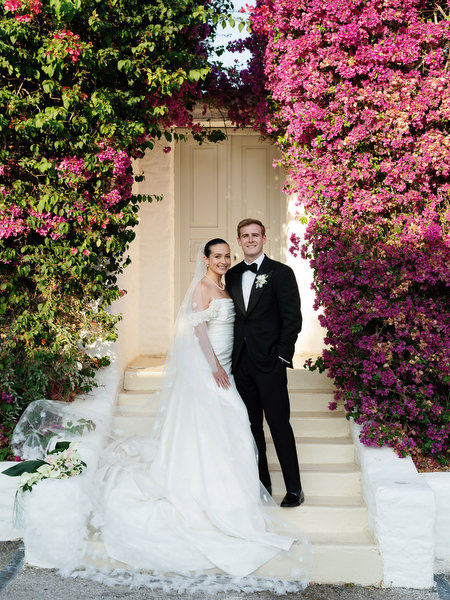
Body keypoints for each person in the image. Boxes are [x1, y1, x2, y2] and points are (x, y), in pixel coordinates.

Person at [9, 238, 311, 592]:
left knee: (238, 426)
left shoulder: (226, 284)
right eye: (218, 256)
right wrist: (214, 367)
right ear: (205, 259)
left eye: (227, 256)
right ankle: (217, 493)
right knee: (229, 422)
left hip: (236, 363)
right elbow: (197, 330)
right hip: (214, 367)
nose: (224, 260)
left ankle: (243, 490)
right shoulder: (202, 287)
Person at [225, 219, 304, 508]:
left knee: (279, 424)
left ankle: (294, 488)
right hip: (241, 365)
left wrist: (282, 355)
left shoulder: (281, 273)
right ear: (239, 240)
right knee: (251, 427)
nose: (250, 239)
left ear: (264, 238)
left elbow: (292, 318)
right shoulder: (231, 275)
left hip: (270, 362)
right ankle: (263, 485)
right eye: (244, 235)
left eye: (255, 235)